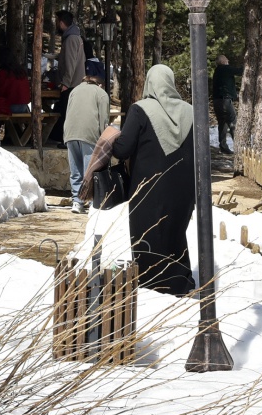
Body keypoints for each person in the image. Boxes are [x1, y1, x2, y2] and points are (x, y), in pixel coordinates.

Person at [101, 64, 195, 295]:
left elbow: (122, 149)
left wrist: (110, 136)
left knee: (147, 233)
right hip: (184, 187)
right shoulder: (191, 111)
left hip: (148, 187)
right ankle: (178, 282)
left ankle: (151, 284)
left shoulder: (140, 110)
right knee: (175, 232)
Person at [63, 59, 111, 214]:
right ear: (100, 81)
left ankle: (77, 202)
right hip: (89, 134)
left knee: (75, 171)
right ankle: (91, 202)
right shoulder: (101, 94)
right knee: (89, 171)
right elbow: (104, 120)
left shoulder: (75, 90)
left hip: (70, 133)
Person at [211, 53, 240, 154]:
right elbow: (240, 71)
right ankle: (238, 146)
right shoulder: (225, 68)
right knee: (233, 122)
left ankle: (223, 146)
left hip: (216, 101)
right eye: (227, 60)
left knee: (222, 124)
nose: (228, 61)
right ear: (223, 61)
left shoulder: (217, 71)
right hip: (225, 101)